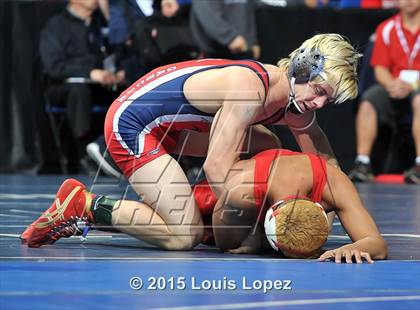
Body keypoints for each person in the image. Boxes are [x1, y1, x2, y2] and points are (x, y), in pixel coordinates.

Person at [24, 33, 360, 251]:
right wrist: (260, 226)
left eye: (326, 101)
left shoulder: (296, 104)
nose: (318, 104)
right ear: (302, 68)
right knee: (184, 236)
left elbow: (328, 169)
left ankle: (200, 210)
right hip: (133, 124)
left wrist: (323, 212)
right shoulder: (252, 90)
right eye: (318, 92)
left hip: (176, 126)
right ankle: (83, 205)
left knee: (267, 146)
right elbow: (216, 169)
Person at [20, 148, 388, 263]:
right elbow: (231, 244)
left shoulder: (334, 181)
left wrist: (352, 249)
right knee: (185, 237)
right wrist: (259, 244)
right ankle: (87, 204)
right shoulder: (252, 191)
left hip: (241, 207)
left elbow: (376, 242)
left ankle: (87, 214)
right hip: (211, 200)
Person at [39, 0, 126, 169]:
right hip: (65, 85)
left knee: (129, 92)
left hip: (100, 83)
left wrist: (118, 72)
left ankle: (119, 148)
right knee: (79, 92)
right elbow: (54, 66)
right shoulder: (56, 25)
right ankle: (85, 154)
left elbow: (116, 54)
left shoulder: (101, 24)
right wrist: (89, 73)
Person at [348, 0, 420, 184]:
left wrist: (412, 86)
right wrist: (393, 84)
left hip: (417, 87)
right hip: (393, 84)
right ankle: (362, 163)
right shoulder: (386, 28)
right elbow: (380, 69)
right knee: (368, 101)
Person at [190, 0, 260, 59]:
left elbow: (249, 15)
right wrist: (230, 37)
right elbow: (207, 13)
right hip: (214, 51)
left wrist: (252, 41)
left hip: (243, 49)